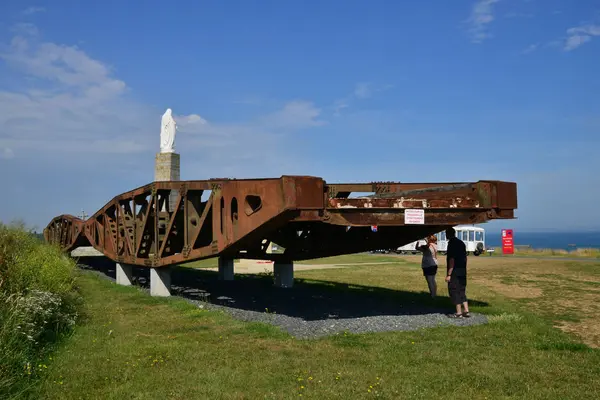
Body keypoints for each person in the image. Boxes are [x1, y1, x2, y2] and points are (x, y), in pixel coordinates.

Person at [445, 227, 470, 318]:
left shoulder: (451, 244)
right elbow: (465, 257)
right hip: (462, 270)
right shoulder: (461, 243)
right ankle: (466, 310)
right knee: (462, 290)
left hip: (454, 271)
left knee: (454, 290)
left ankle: (458, 312)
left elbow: (452, 259)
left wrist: (449, 274)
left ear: (448, 234)